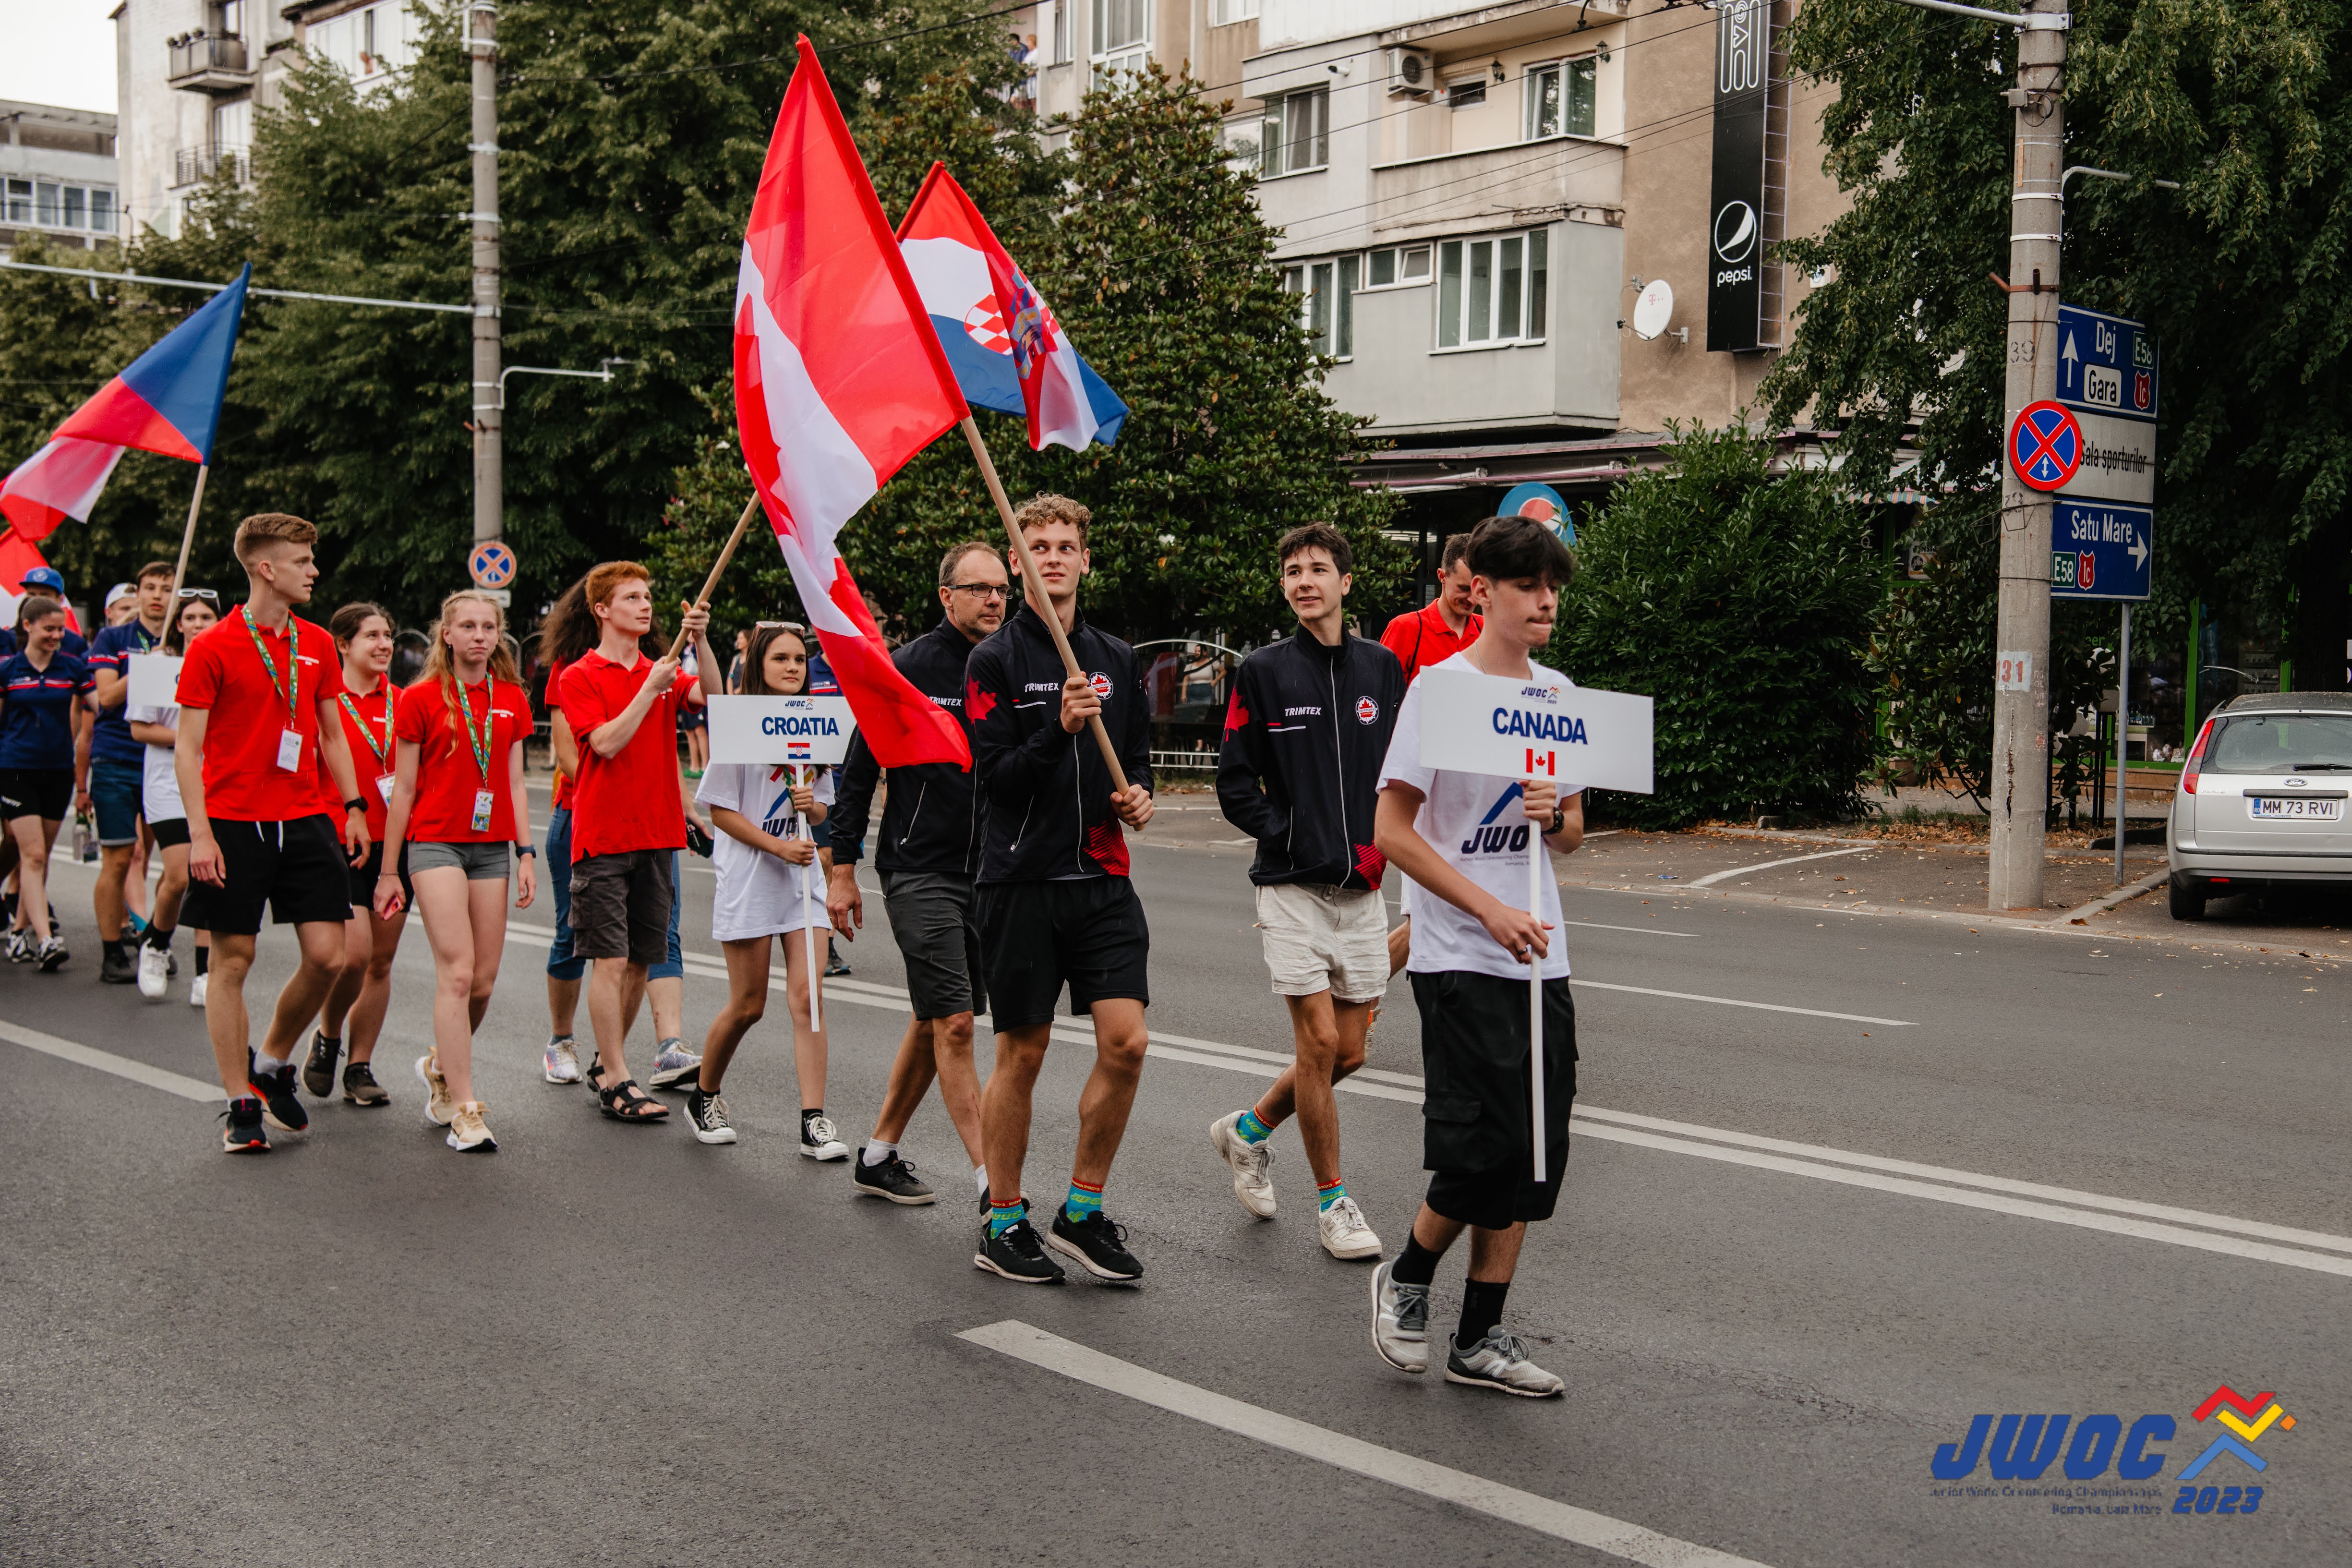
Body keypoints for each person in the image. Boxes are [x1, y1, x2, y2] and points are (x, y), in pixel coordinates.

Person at [1369, 514, 1584, 1399]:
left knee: (1534, 1153)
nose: (1544, 603)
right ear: (1482, 591)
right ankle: (1407, 1280)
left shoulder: (1558, 694)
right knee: (1479, 1146)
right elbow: (1390, 831)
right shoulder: (1438, 691)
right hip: (1460, 949)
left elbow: (1571, 835)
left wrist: (1553, 812)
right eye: (1529, 587)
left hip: (1543, 951)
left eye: (1553, 589)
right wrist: (1485, 907)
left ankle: (1480, 1336)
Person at [966, 495, 1155, 1286]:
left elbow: (1136, 761)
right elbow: (997, 780)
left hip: (1102, 878)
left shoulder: (1113, 656)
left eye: (1064, 545)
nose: (1050, 556)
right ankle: (1002, 1219)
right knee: (1024, 1050)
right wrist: (1060, 729)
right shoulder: (994, 662)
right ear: (1017, 563)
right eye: (1035, 545)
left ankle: (1080, 1210)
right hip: (1020, 880)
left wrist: (1136, 795)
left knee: (1127, 1041)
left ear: (1084, 558)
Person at [1209, 523, 1402, 1261]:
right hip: (1290, 886)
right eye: (1291, 570)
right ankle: (1334, 1203)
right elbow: (1234, 780)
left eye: (1318, 568)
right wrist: (1287, 834)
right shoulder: (1261, 671)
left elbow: (1400, 768)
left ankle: (1247, 1131)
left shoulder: (1382, 670)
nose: (1303, 580)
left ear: (1345, 583)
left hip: (1361, 889)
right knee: (1317, 1043)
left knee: (1348, 1052)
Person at [177, 512, 372, 1155]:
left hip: (304, 817)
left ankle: (271, 1061)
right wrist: (200, 834)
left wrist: (351, 806)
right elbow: (188, 748)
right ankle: (239, 1099)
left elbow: (330, 732)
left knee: (329, 956)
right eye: (302, 561)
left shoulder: (315, 641)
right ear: (266, 568)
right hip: (232, 822)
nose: (314, 571)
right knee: (234, 961)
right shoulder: (213, 645)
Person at [828, 541, 1006, 1206]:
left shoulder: (1012, 666)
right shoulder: (905, 669)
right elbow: (856, 774)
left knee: (933, 1016)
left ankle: (878, 1152)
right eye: (978, 588)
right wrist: (840, 870)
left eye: (1000, 590)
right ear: (946, 596)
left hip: (992, 873)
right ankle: (995, 1182)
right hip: (918, 867)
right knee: (955, 1022)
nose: (992, 600)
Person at [374, 590, 536, 1153]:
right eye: (467, 626)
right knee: (459, 971)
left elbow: (515, 784)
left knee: (485, 980)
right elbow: (405, 790)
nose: (478, 636)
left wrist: (526, 853)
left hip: (491, 847)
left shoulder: (512, 698)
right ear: (446, 634)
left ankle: (441, 1065)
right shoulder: (420, 698)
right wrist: (389, 871)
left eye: (488, 626)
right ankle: (465, 1108)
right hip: (435, 842)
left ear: (499, 634)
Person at [555, 561, 717, 1124]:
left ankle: (608, 1059)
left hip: (658, 834)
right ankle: (618, 1079)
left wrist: (700, 641)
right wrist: (650, 690)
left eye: (648, 596)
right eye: (631, 597)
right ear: (603, 610)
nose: (645, 605)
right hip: (603, 836)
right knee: (611, 959)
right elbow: (605, 743)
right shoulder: (580, 675)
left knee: (643, 962)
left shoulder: (663, 669)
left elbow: (716, 699)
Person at [684, 624, 843, 1153]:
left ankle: (814, 1119)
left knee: (809, 997)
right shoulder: (738, 725)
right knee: (748, 1004)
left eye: (800, 659)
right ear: (759, 663)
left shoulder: (814, 723)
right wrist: (777, 848)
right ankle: (704, 1093)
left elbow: (822, 803)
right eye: (781, 658)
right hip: (752, 877)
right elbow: (722, 810)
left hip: (802, 881)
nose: (794, 667)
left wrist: (810, 808)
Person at [305, 603, 409, 1106]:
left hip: (395, 845)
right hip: (340, 840)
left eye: (387, 635)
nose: (384, 644)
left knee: (381, 961)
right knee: (354, 955)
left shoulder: (405, 702)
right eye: (371, 635)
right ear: (342, 644)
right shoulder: (324, 701)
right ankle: (328, 1036)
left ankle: (359, 1065)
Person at [1377, 531, 1486, 976]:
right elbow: (1375, 704)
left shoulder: (1486, 632)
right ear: (1441, 578)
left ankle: (1358, 998)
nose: (1470, 599)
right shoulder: (1409, 629)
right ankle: (1358, 999)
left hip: (1473, 793)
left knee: (1445, 911)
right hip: (1420, 794)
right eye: (1461, 588)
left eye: (1477, 590)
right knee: (1423, 912)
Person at [124, 589, 221, 1001]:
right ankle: (157, 944)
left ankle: (205, 972)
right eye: (191, 618)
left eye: (206, 618)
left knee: (211, 876)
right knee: (180, 873)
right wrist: (192, 740)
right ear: (178, 624)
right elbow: (140, 730)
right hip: (167, 782)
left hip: (215, 782)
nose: (198, 625)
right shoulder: (158, 666)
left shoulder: (226, 662)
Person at [86, 562, 177, 984]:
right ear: (138, 593)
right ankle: (111, 953)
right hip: (117, 760)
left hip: (162, 762)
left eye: (166, 588)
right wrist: (144, 667)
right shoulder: (113, 637)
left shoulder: (183, 637)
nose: (158, 595)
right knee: (120, 857)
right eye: (151, 588)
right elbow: (105, 698)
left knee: (168, 863)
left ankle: (152, 937)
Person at [1, 594, 96, 969]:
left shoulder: (72, 667)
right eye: (49, 629)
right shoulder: (8, 671)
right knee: (35, 854)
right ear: (27, 626)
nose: (57, 636)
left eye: (61, 629)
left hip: (58, 770)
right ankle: (46, 940)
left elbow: (100, 704)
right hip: (15, 769)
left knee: (35, 859)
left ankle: (19, 933)